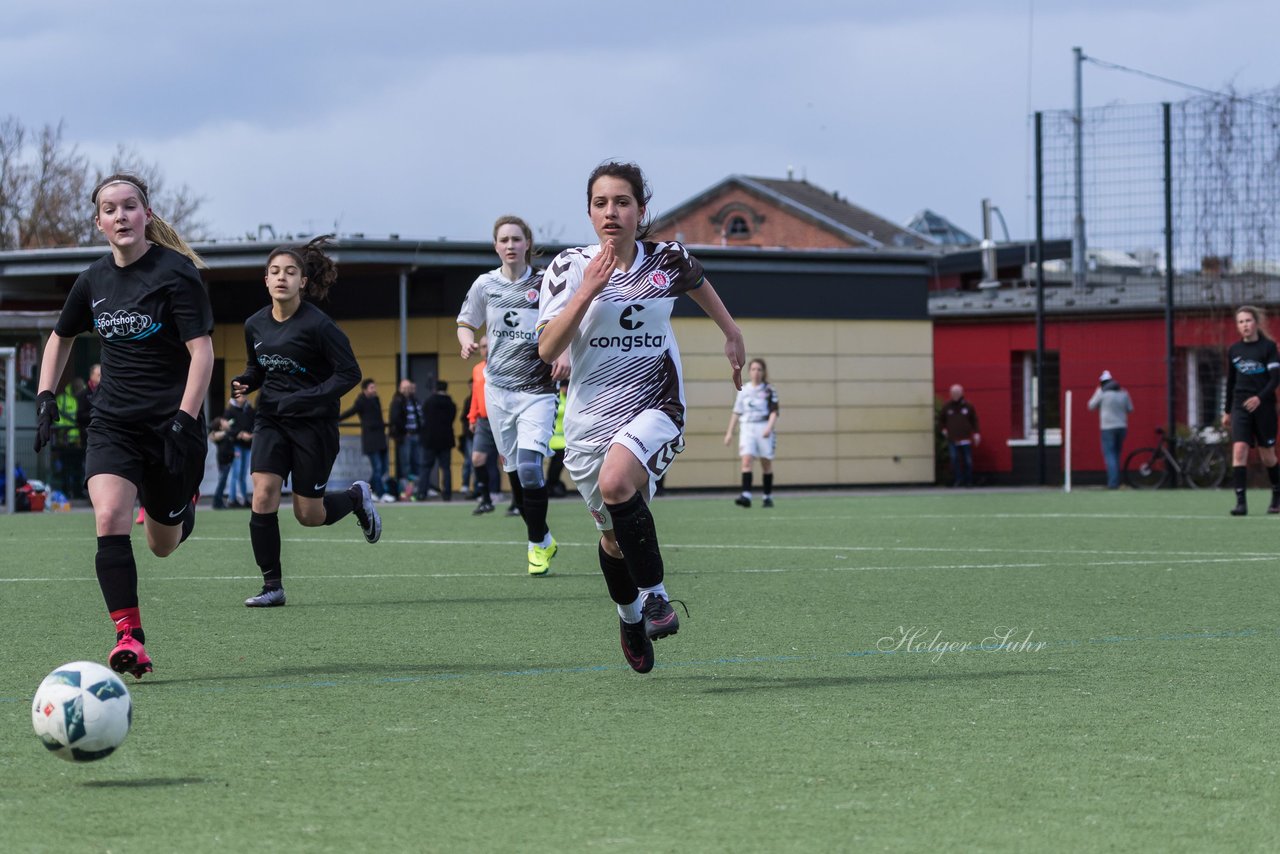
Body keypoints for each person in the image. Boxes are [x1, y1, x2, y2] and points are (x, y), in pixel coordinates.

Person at [537, 161, 745, 673]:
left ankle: (655, 597)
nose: (612, 212)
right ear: (589, 212)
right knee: (612, 537)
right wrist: (588, 289)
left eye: (623, 202)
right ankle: (630, 616)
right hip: (590, 420)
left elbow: (698, 282)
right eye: (601, 203)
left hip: (657, 404)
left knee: (616, 481)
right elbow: (546, 349)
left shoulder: (667, 259)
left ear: (641, 210)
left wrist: (731, 332)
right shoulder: (567, 268)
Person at [33, 172, 213, 679]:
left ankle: (183, 511)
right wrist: (47, 396)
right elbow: (59, 337)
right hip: (112, 423)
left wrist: (184, 419)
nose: (120, 216)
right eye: (110, 209)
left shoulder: (177, 273)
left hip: (173, 426)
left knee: (162, 543)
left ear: (146, 215)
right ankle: (129, 636)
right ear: (99, 223)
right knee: (110, 514)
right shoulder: (93, 279)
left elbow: (202, 353)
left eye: (129, 206)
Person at [231, 236, 382, 608]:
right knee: (263, 492)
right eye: (275, 272)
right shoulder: (254, 325)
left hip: (314, 426)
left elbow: (350, 374)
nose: (282, 277)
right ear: (265, 280)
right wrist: (247, 381)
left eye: (290, 272)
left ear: (303, 282)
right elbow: (258, 368)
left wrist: (304, 398)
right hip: (270, 419)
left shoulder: (320, 326)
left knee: (308, 515)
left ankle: (356, 497)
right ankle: (272, 586)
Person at [458, 216, 569, 574]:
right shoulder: (484, 285)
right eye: (503, 239)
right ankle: (543, 536)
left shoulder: (544, 283)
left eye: (516, 239)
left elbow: (566, 322)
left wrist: (564, 353)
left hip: (537, 391)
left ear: (526, 244)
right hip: (497, 390)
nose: (510, 245)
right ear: (496, 246)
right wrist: (466, 342)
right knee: (514, 472)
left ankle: (536, 545)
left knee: (531, 468)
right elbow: (465, 321)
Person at [1222, 305, 1280, 516]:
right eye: (1240, 322)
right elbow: (1230, 382)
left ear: (1255, 322)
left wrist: (1259, 398)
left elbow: (1275, 378)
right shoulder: (1234, 351)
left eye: (1248, 320)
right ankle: (1241, 503)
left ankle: (1276, 495)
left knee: (1268, 456)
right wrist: (1227, 410)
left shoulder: (1269, 347)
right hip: (1240, 405)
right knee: (1239, 450)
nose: (1244, 325)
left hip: (1263, 406)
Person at [724, 357, 779, 508]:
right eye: (753, 369)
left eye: (759, 369)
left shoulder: (769, 390)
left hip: (763, 427)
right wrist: (729, 432)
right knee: (746, 460)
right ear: (749, 371)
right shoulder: (744, 390)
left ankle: (767, 496)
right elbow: (737, 412)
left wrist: (769, 427)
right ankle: (746, 495)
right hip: (747, 427)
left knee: (765, 462)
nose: (756, 372)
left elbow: (774, 411)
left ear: (763, 372)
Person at [341, 378, 394, 502]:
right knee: (378, 468)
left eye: (374, 387)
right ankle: (381, 494)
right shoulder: (361, 402)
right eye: (371, 388)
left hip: (381, 440)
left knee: (384, 468)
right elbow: (350, 412)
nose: (374, 390)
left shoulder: (376, 400)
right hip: (371, 441)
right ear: (365, 390)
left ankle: (369, 490)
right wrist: (336, 419)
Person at [466, 337, 500, 514]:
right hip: (483, 422)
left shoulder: (502, 367)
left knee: (509, 461)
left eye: (488, 346)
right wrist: (472, 418)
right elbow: (475, 396)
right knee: (477, 459)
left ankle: (518, 503)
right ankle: (486, 500)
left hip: (501, 419)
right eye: (482, 347)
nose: (485, 349)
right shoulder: (477, 369)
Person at [1087, 370, 1133, 489]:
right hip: (1122, 427)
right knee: (1116, 454)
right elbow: (1130, 409)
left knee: (1110, 455)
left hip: (1107, 428)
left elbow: (1091, 406)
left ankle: (1113, 483)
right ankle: (1116, 481)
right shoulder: (1123, 393)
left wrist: (1099, 394)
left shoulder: (1101, 393)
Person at [419, 379, 457, 500]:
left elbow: (423, 417)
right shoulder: (451, 404)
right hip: (446, 439)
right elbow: (452, 419)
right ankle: (447, 494)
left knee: (426, 467)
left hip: (430, 439)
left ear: (435, 389)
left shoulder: (428, 402)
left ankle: (422, 493)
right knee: (446, 468)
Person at [939, 384, 980, 487]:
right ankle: (958, 480)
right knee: (954, 459)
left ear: (962, 393)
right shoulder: (947, 406)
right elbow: (941, 420)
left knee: (968, 460)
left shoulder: (968, 406)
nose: (955, 395)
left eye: (957, 393)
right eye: (953, 393)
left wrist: (976, 433)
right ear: (950, 394)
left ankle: (969, 481)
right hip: (952, 438)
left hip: (965, 438)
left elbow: (974, 420)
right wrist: (943, 429)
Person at [388, 378, 423, 499]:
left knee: (417, 463)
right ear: (400, 389)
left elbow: (419, 416)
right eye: (404, 388)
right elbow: (395, 419)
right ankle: (404, 492)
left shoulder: (414, 400)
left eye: (408, 387)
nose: (407, 390)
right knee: (405, 465)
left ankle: (415, 491)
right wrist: (404, 431)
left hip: (415, 435)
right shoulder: (397, 401)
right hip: (405, 436)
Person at [224, 391, 255, 507]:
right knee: (235, 473)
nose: (244, 397)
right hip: (235, 445)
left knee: (243, 474)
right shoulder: (230, 411)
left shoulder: (250, 410)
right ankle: (232, 500)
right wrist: (240, 434)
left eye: (245, 395)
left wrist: (251, 435)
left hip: (247, 446)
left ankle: (244, 499)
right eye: (241, 395)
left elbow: (256, 424)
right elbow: (227, 429)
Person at [545, 381, 568, 498]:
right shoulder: (556, 397)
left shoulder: (567, 398)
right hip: (554, 438)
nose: (566, 389)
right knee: (555, 464)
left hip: (563, 439)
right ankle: (550, 484)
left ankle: (552, 484)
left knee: (558, 464)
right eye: (564, 387)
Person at [209, 415, 236, 508]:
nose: (226, 421)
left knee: (223, 483)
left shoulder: (227, 433)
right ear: (220, 426)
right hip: (223, 461)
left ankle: (218, 501)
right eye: (223, 421)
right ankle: (217, 502)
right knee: (222, 482)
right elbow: (212, 436)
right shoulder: (219, 434)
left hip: (228, 460)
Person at [458, 378, 475, 498]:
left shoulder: (484, 398)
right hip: (470, 435)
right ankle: (465, 484)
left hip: (479, 434)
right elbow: (463, 417)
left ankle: (476, 486)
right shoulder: (468, 400)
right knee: (469, 461)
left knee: (475, 462)